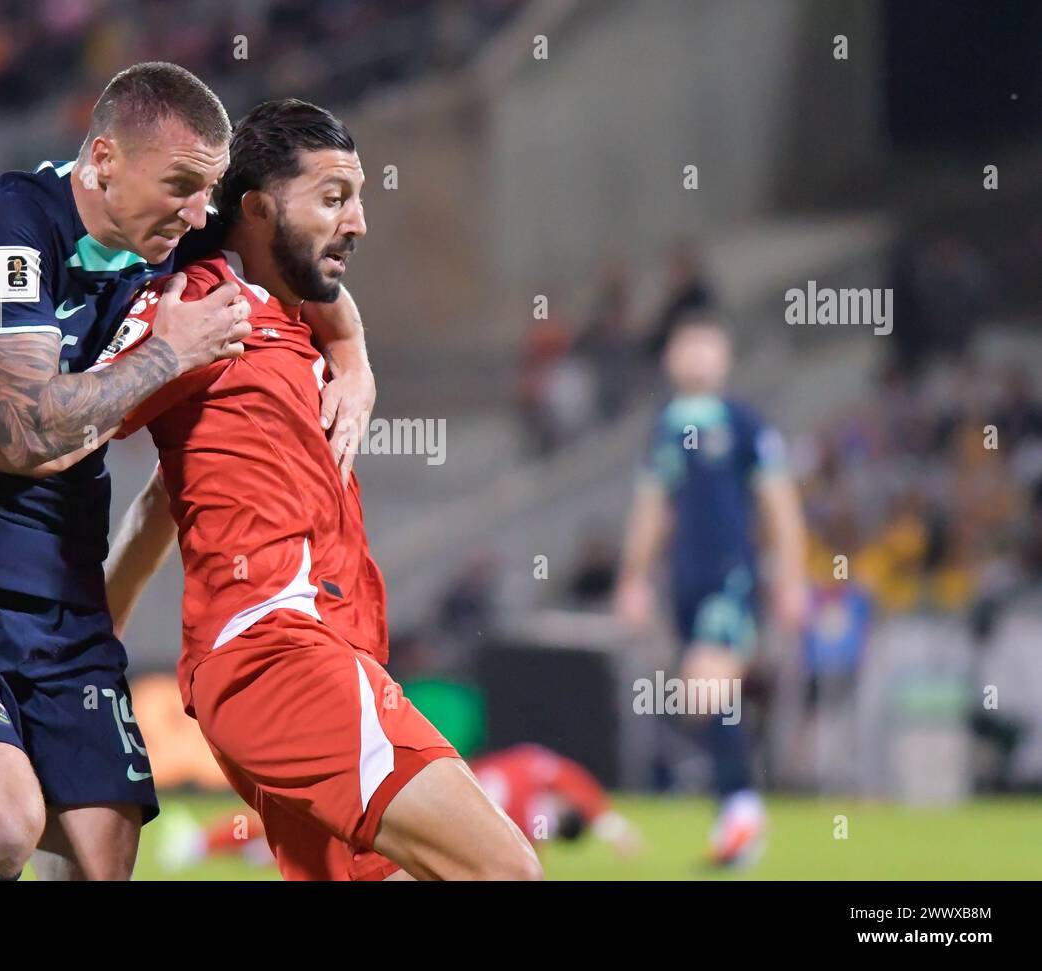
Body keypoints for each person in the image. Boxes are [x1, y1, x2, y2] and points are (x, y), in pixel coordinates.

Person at [0, 63, 376, 882]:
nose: (198, 214)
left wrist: (353, 358)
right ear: (103, 160)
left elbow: (294, 256)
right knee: (4, 828)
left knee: (101, 859)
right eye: (182, 186)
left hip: (57, 586)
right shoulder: (7, 225)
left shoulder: (180, 223)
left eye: (209, 192)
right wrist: (169, 353)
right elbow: (31, 429)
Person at [100, 99, 542, 880]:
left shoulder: (289, 316)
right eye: (334, 198)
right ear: (257, 208)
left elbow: (164, 504)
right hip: (277, 650)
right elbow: (71, 424)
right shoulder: (196, 311)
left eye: (360, 196)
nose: (360, 221)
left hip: (318, 651)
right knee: (504, 871)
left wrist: (357, 359)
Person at [615, 314, 808, 867]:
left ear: (725, 357)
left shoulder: (743, 422)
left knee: (705, 687)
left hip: (731, 576)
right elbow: (652, 509)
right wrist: (633, 579)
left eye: (708, 346)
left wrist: (791, 581)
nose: (697, 356)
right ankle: (737, 811)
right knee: (702, 699)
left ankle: (743, 812)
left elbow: (780, 505)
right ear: (669, 357)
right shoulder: (666, 426)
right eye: (687, 346)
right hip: (685, 584)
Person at [154, 743, 640, 873]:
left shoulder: (533, 780)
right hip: (424, 801)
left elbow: (570, 781)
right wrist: (611, 823)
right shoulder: (526, 815)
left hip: (427, 797)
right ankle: (199, 844)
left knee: (300, 819)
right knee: (304, 815)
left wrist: (610, 822)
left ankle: (205, 845)